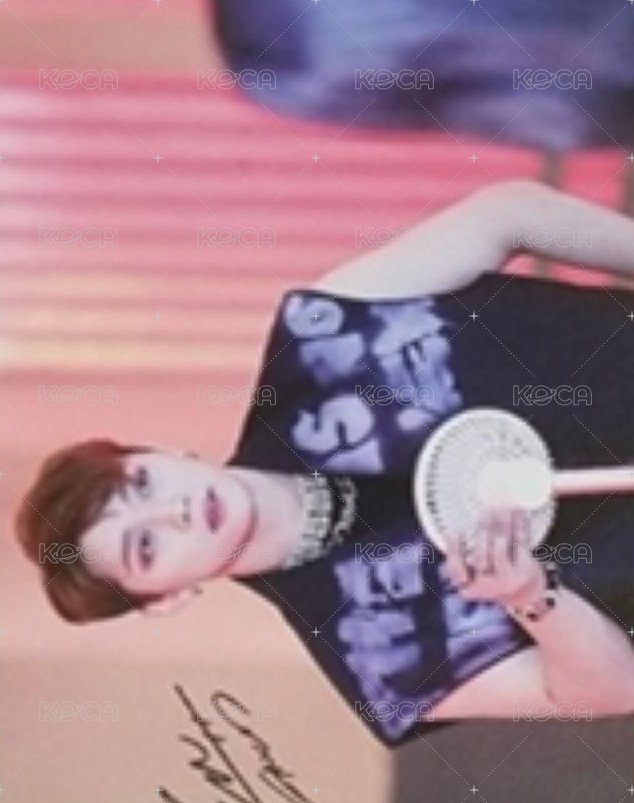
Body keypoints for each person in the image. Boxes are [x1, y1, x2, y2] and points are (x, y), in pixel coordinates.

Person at [15, 179, 634, 746]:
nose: (172, 511)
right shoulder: (379, 657)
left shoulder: (320, 339)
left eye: (143, 482)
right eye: (146, 547)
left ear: (165, 451)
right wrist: (532, 597)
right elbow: (607, 691)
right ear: (165, 599)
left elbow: (509, 215)